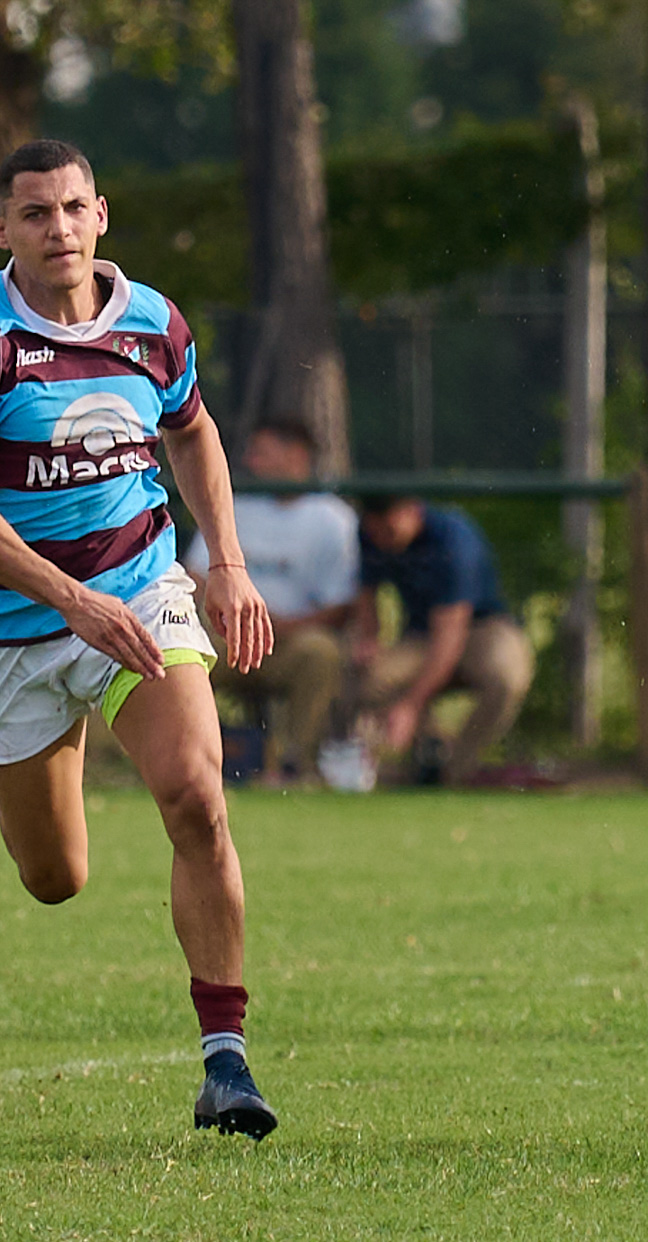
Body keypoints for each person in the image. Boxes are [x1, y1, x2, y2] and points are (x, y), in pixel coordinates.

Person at [0, 139, 277, 1137]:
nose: (58, 230)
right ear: (6, 229)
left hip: (141, 589)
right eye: (35, 213)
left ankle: (227, 1061)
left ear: (102, 214)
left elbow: (192, 429)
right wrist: (71, 604)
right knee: (53, 878)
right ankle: (60, 745)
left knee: (199, 797)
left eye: (73, 208)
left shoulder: (153, 322)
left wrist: (227, 563)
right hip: (19, 633)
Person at [186, 419, 358, 783]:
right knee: (180, 653)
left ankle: (293, 768)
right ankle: (191, 766)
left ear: (296, 456)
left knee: (322, 653)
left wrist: (279, 625)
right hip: (225, 639)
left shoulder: (333, 519)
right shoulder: (233, 503)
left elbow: (341, 605)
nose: (251, 461)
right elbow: (195, 574)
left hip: (289, 643)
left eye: (261, 453)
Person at [352, 495, 534, 786]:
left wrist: (409, 706)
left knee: (506, 677)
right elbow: (366, 592)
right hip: (420, 633)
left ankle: (458, 768)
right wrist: (369, 639)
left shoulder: (454, 539)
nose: (381, 540)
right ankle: (426, 755)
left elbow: (449, 637)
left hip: (480, 628)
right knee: (373, 676)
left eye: (388, 530)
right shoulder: (369, 533)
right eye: (375, 531)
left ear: (412, 510)